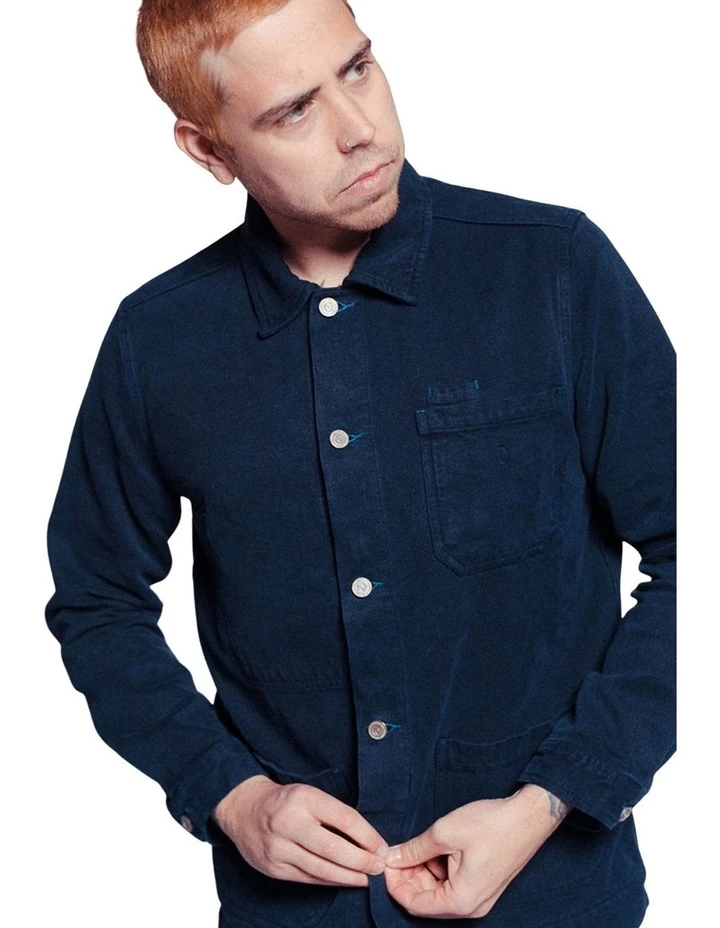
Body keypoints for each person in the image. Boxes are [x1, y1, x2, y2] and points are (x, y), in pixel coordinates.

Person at [44, 0, 676, 925]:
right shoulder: (159, 341)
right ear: (210, 151)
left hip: (558, 898)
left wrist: (554, 799)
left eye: (357, 69)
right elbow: (98, 602)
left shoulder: (554, 271)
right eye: (293, 110)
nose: (360, 129)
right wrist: (228, 793)